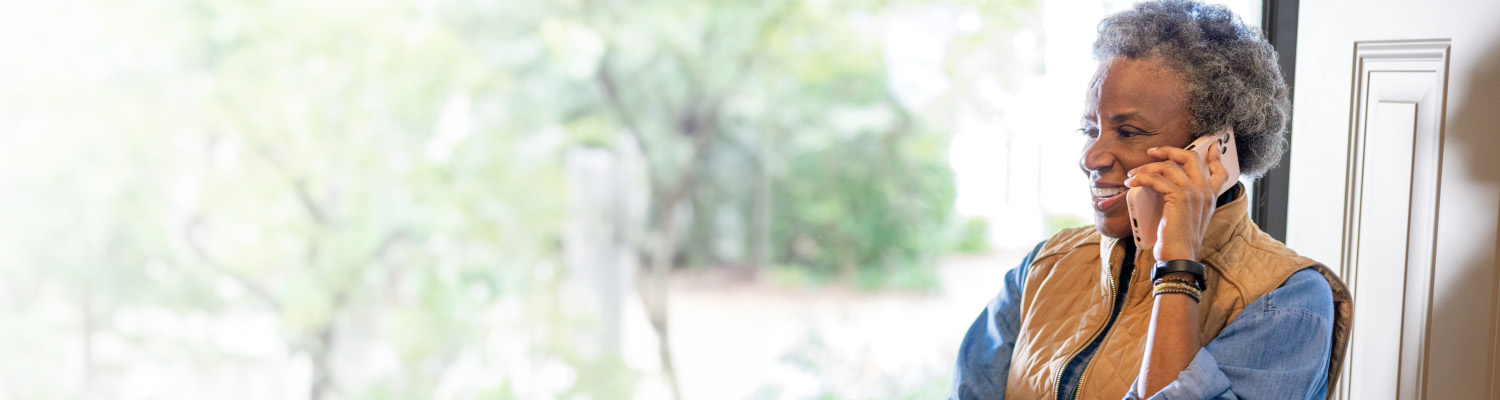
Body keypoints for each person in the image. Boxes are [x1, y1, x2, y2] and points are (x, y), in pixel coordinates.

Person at [949, 1, 1353, 399]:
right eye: (1090, 130)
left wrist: (1177, 264)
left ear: (1213, 150)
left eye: (1128, 132)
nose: (1090, 158)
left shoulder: (1286, 299)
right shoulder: (1045, 265)